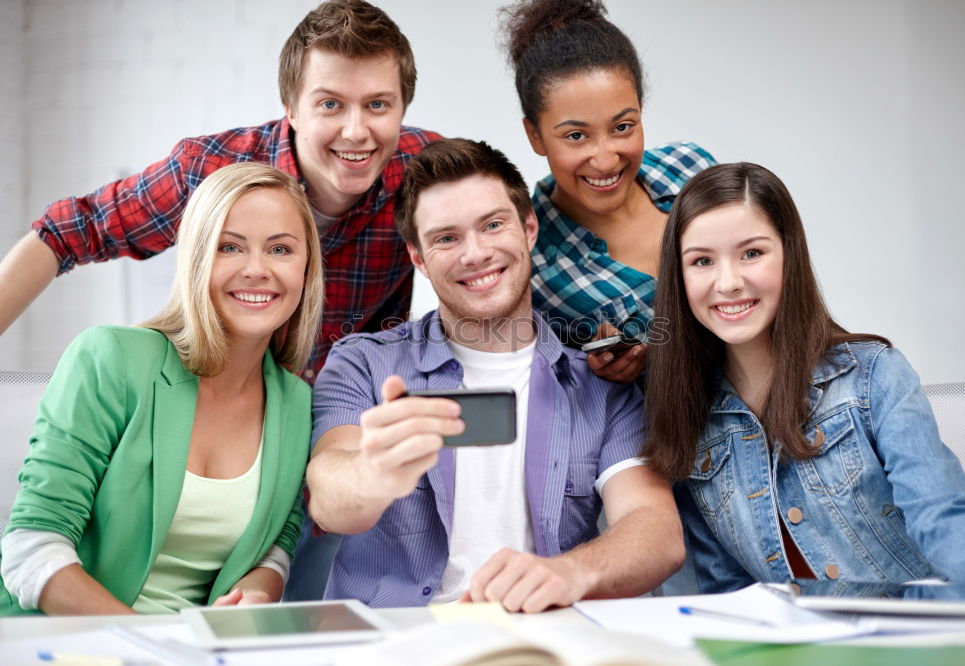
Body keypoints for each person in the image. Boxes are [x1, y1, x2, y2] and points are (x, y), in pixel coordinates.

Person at [305, 138, 684, 612]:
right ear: (418, 258)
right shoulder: (362, 363)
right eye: (446, 238)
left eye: (492, 225)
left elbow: (657, 531)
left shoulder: (600, 388)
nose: (476, 253)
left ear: (528, 229)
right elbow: (329, 498)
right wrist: (375, 472)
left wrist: (569, 573)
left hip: (539, 643)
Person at [0, 0, 441, 379]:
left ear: (403, 108)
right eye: (330, 104)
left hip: (347, 412)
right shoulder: (209, 170)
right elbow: (68, 233)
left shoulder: (428, 175)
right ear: (291, 107)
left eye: (377, 105)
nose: (355, 130)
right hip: (219, 409)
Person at [644, 162, 965, 592]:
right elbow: (728, 593)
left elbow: (944, 517)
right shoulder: (686, 418)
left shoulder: (874, 375)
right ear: (678, 278)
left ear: (789, 255)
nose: (729, 282)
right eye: (701, 261)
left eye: (752, 253)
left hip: (921, 634)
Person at [0, 163, 323, 615]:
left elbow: (276, 545)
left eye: (281, 249)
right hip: (68, 639)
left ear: (306, 268)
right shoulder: (111, 359)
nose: (257, 269)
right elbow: (32, 548)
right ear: (196, 259)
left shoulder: (299, 403)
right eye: (229, 247)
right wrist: (148, 646)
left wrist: (256, 591)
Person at [500, 0, 716, 384]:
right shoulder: (534, 271)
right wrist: (600, 377)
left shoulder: (692, 169)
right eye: (576, 136)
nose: (605, 159)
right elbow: (556, 396)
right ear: (535, 134)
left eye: (622, 127)